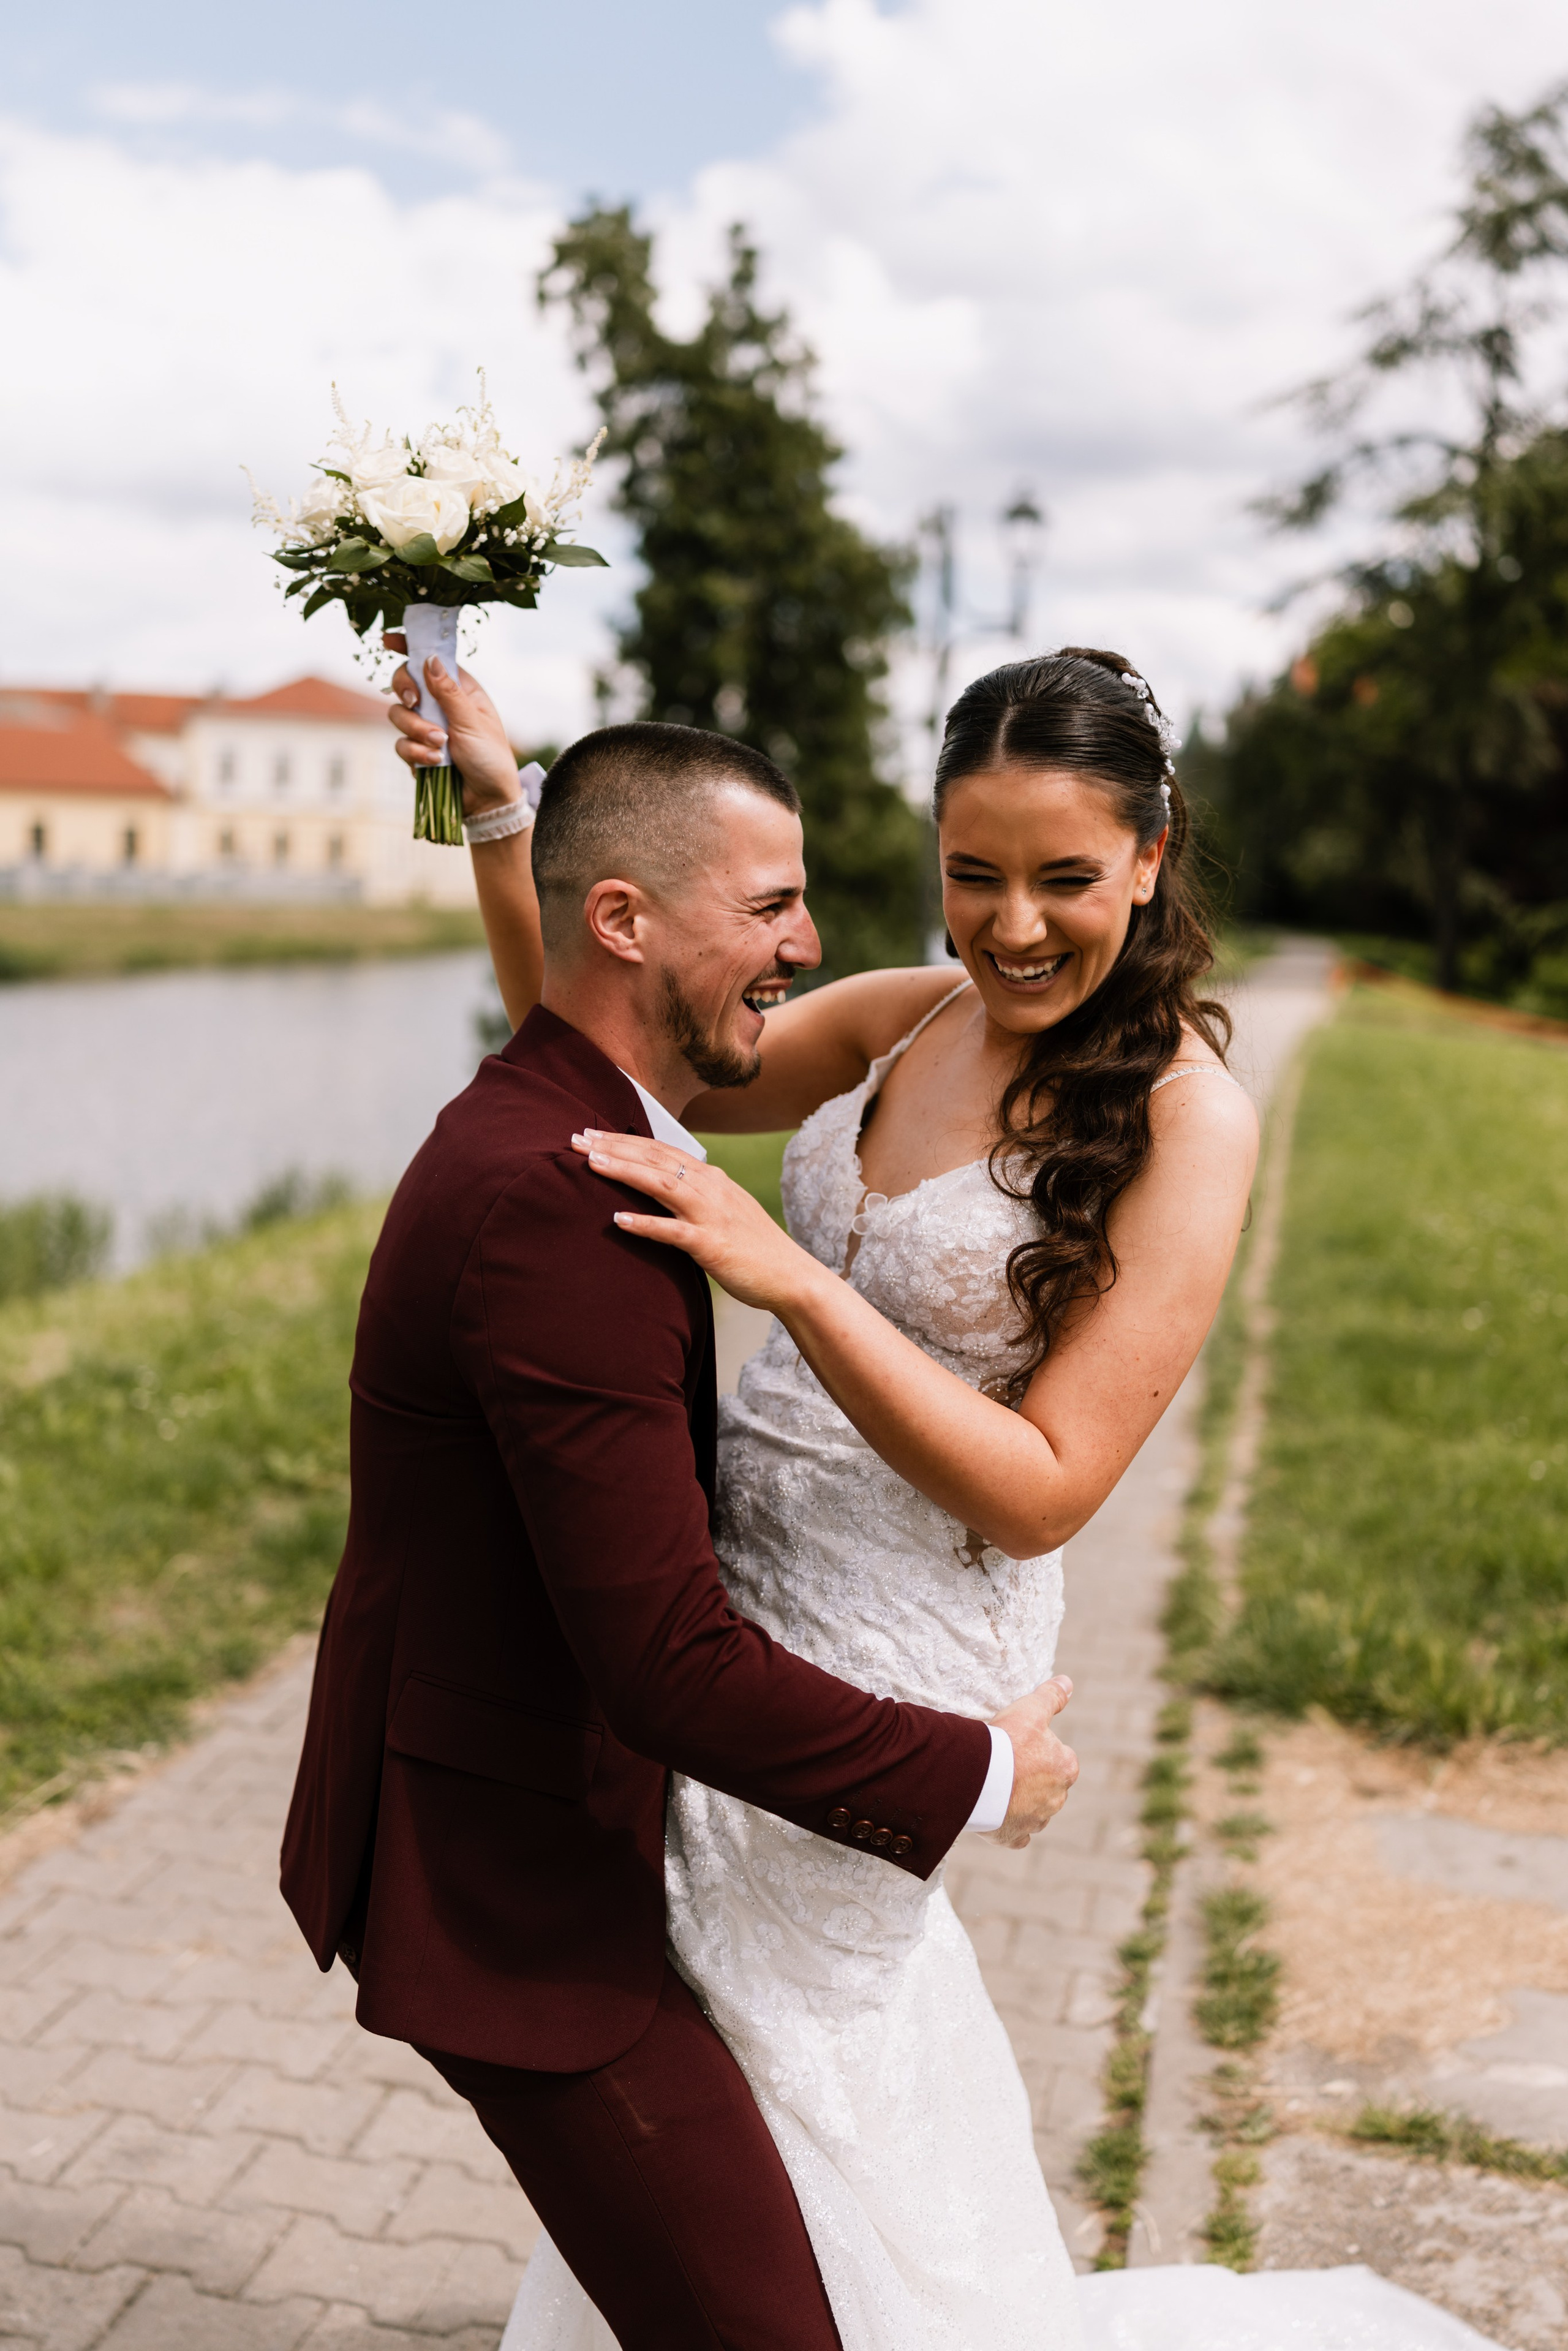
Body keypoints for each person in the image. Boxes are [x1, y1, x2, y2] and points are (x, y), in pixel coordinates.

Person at [405, 644, 1502, 2351]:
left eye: (1065, 876)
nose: (1013, 926)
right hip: (722, 1616)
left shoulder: (1190, 1119)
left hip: (899, 1639)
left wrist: (798, 1284)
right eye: (972, 873)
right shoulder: (906, 1015)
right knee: (711, 2049)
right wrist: (500, 814)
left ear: (1151, 853)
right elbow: (607, 1038)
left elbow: (1051, 1487)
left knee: (779, 2037)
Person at [280, 664, 1085, 2351]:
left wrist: (502, 808)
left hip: (628, 1834)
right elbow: (666, 1667)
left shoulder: (569, 1119)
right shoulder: (559, 1205)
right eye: (773, 906)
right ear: (628, 921)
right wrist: (982, 1773)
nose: (809, 945)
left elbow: (592, 1004)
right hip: (513, 1886)